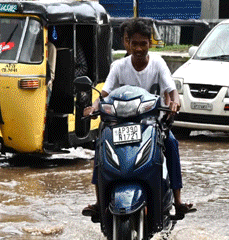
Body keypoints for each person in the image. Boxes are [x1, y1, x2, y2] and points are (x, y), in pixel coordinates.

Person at [83, 17, 193, 218]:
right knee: (100, 144)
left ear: (150, 43)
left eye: (143, 44)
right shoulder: (118, 66)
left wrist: (174, 103)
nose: (139, 49)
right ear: (128, 44)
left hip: (153, 125)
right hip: (121, 125)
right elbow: (104, 93)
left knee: (171, 144)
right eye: (135, 44)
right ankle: (100, 202)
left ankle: (177, 200)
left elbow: (172, 90)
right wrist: (93, 107)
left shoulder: (158, 64)